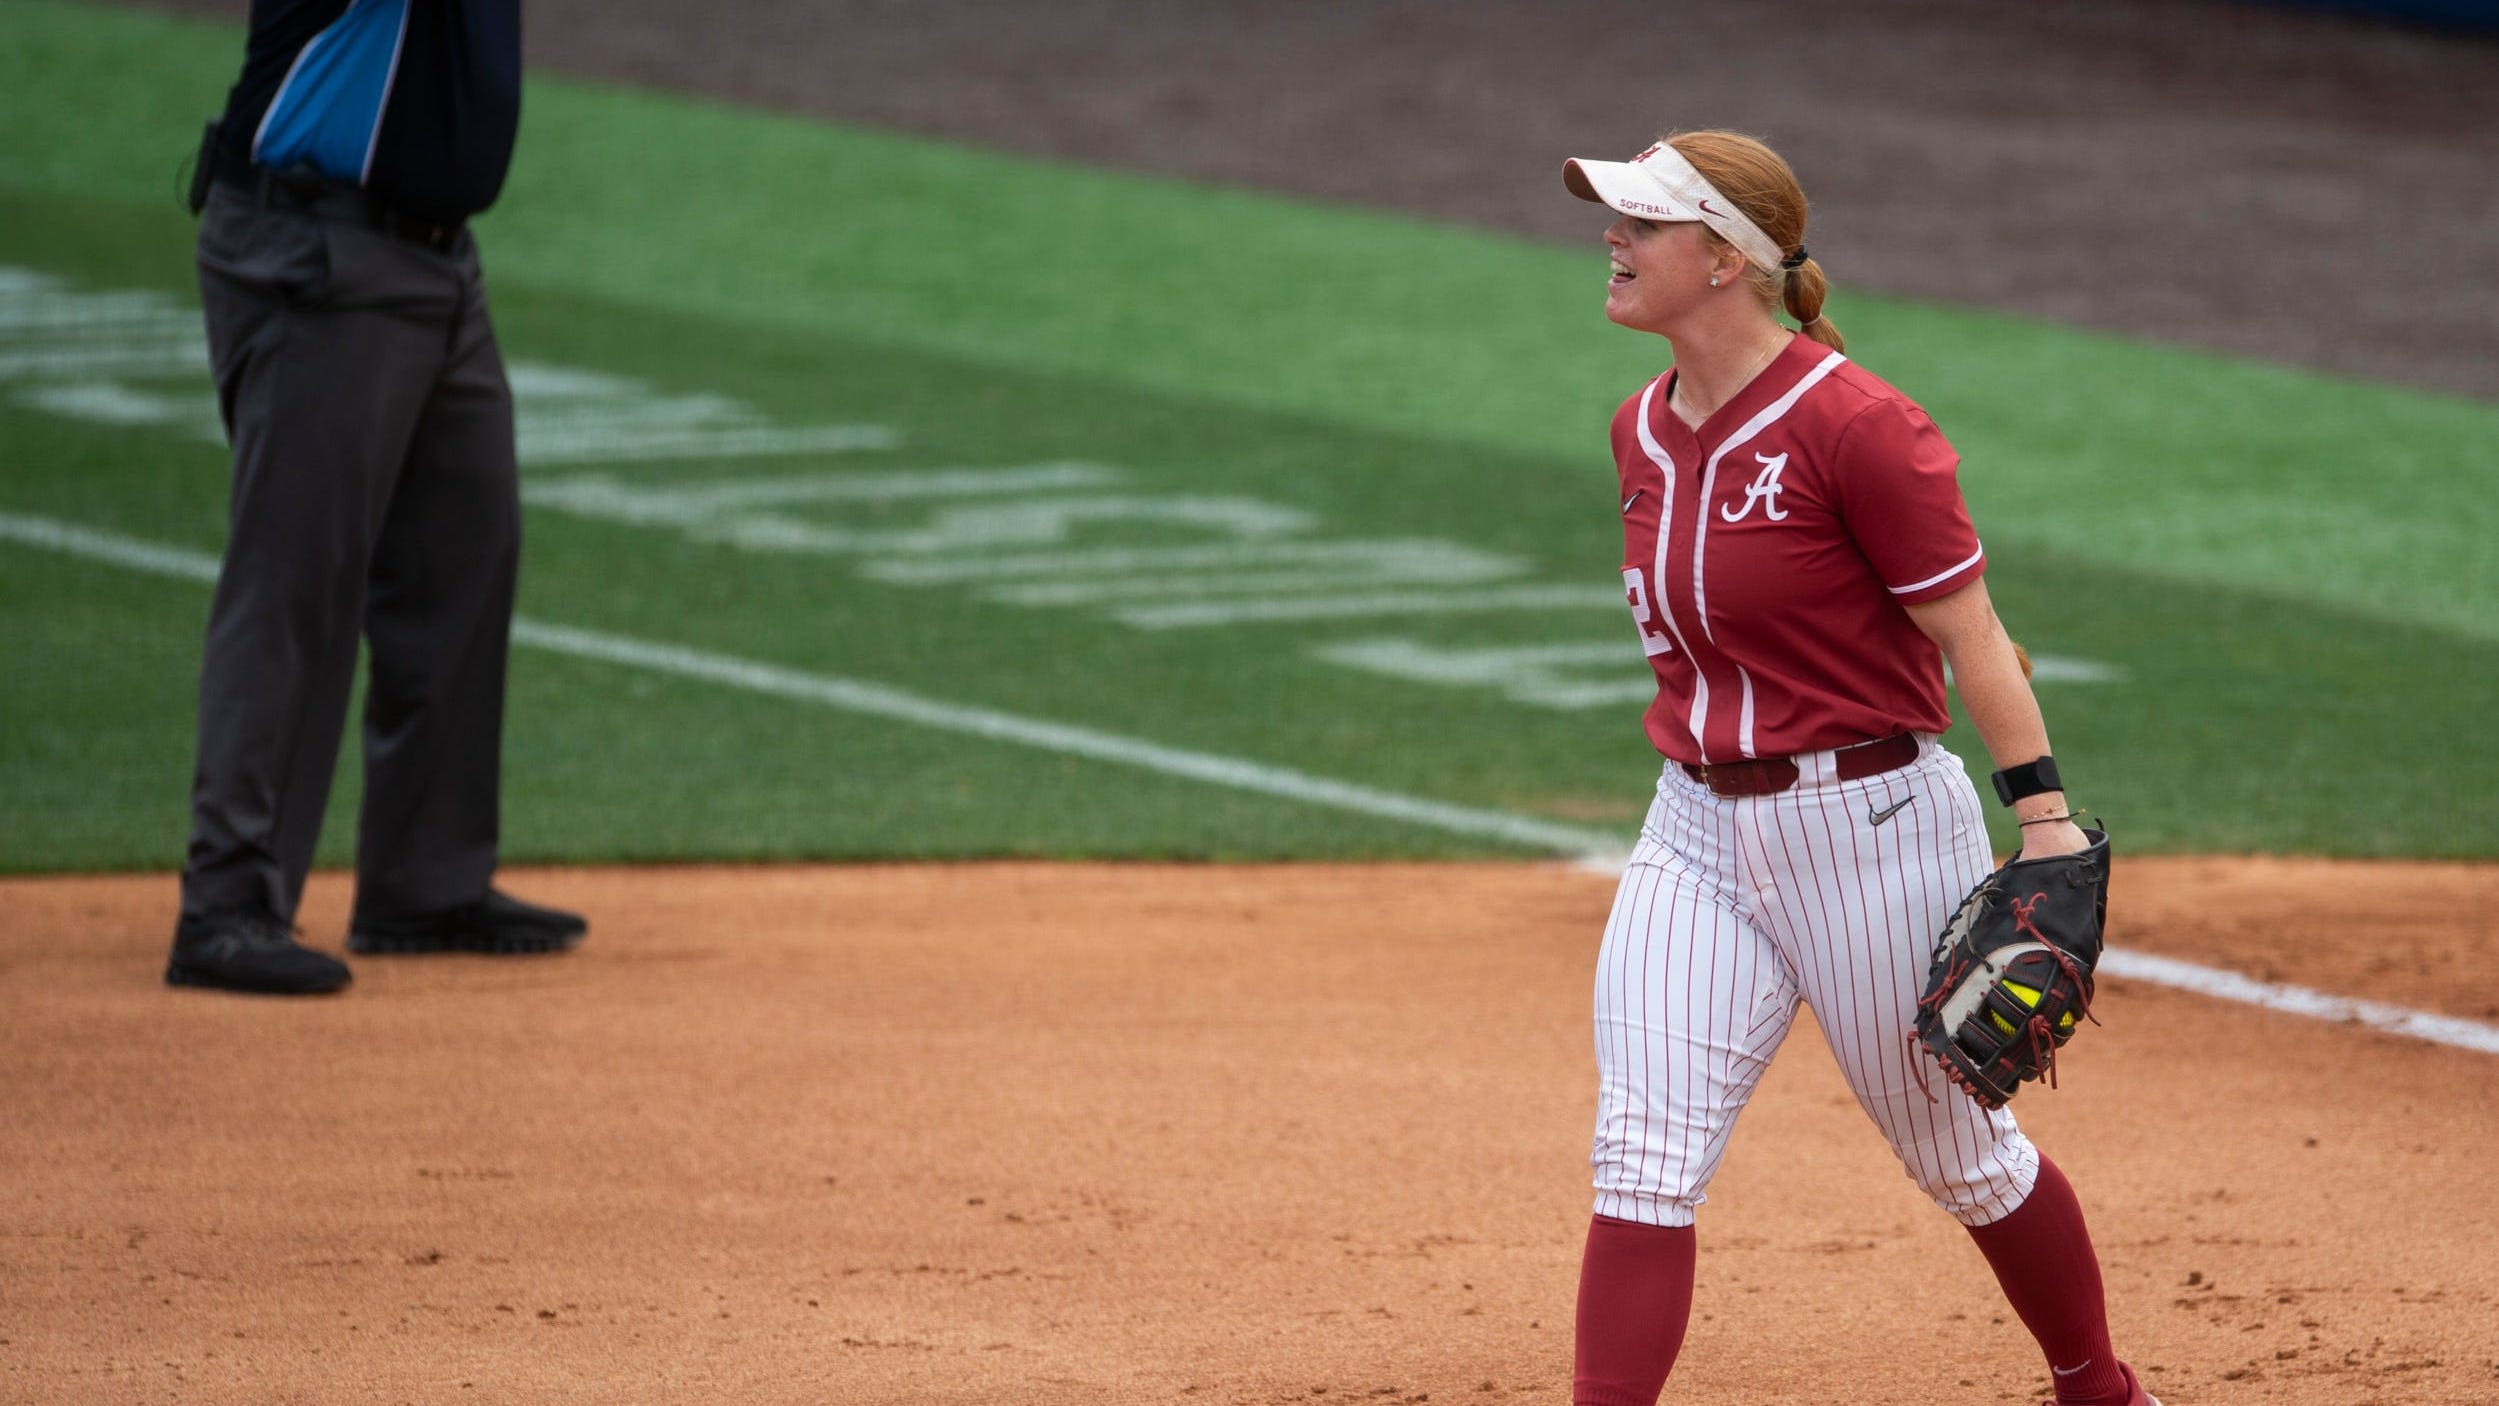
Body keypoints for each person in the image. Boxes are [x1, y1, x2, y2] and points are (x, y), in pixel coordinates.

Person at [1556, 131, 2155, 1406]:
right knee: (1642, 1157)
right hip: (1693, 834)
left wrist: (2045, 826)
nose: (1611, 238)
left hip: (1872, 829)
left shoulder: (1861, 427)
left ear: (1725, 259)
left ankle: (2098, 1389)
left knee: (1959, 1153)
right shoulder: (1639, 431)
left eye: (1642, 223)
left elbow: (1972, 635)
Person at [165, 0, 583, 996]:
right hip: (318, 253)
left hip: (436, 263)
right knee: (296, 575)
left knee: (464, 550)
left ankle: (423, 880)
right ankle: (226, 904)